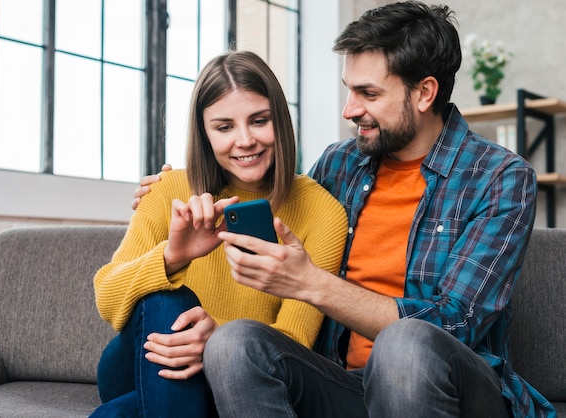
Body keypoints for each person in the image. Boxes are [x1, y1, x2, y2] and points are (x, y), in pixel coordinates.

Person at [134, 2, 555, 417]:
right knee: (233, 342)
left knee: (404, 343)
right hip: (343, 384)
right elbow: (265, 190)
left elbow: (456, 325)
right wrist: (180, 185)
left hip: (454, 389)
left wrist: (311, 284)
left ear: (425, 92)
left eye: (368, 93)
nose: (349, 110)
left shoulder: (500, 177)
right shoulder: (339, 164)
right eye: (349, 90)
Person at [91, 50, 348, 417]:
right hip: (137, 363)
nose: (245, 141)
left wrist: (216, 338)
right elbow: (107, 298)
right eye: (224, 127)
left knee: (112, 416)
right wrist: (173, 257)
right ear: (205, 133)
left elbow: (295, 343)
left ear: (281, 120)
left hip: (239, 374)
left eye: (259, 120)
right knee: (169, 301)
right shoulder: (170, 189)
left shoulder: (322, 212)